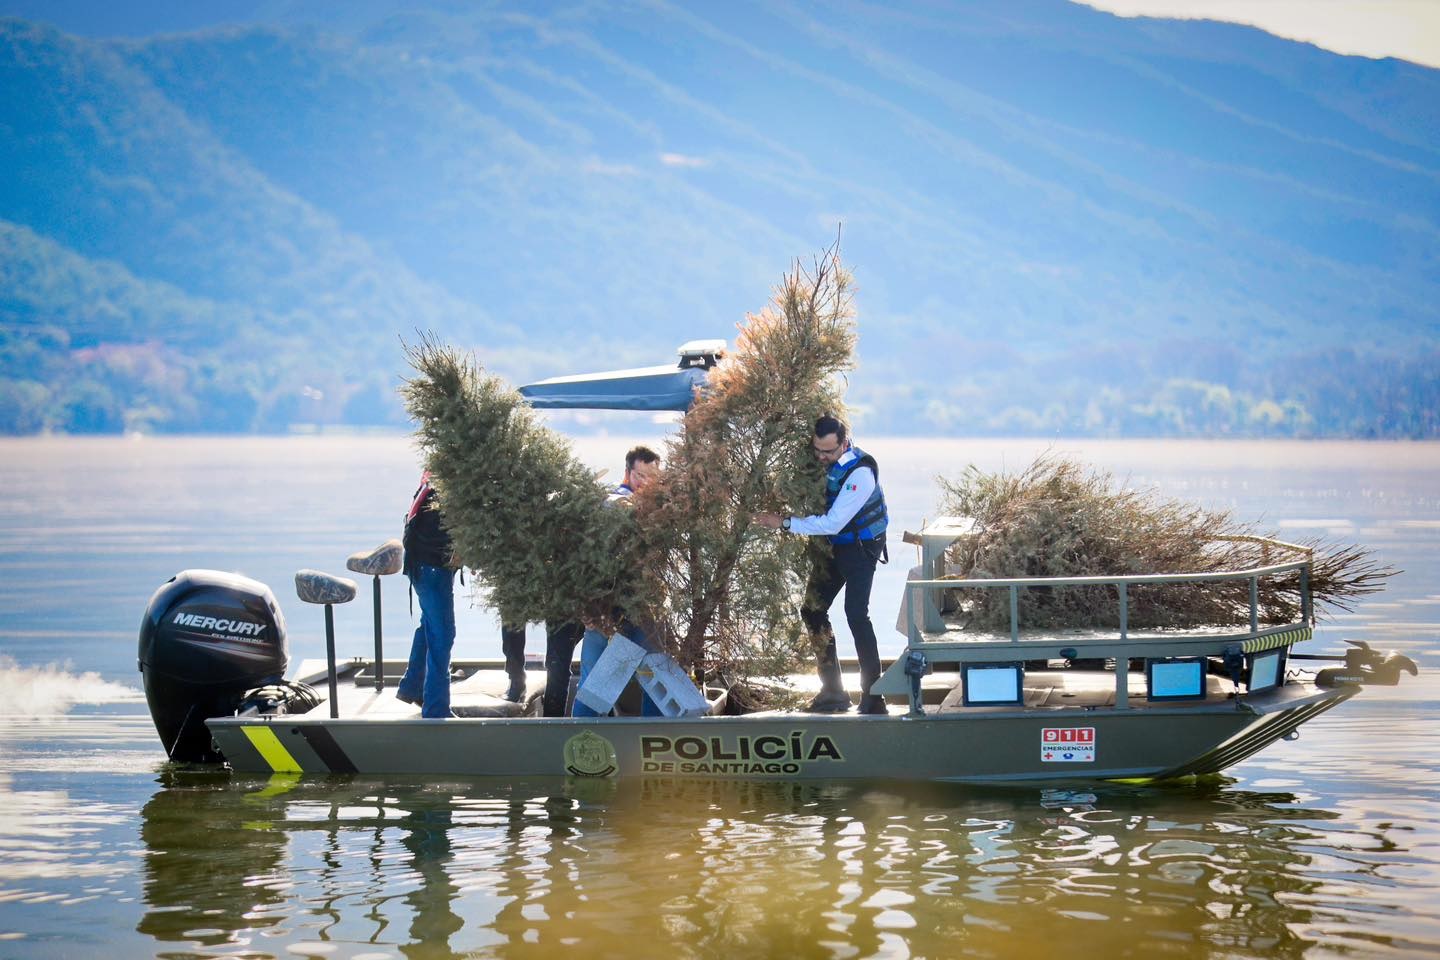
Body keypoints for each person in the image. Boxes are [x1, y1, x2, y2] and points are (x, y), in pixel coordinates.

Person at [754, 416, 889, 715]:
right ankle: (832, 692)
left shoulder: (861, 473)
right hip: (836, 546)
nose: (822, 457)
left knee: (856, 615)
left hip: (861, 549)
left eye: (828, 452)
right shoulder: (827, 462)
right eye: (818, 450)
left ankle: (874, 696)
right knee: (813, 610)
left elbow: (834, 521)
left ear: (844, 442)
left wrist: (784, 523)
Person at [573, 445, 663, 718]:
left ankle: (589, 732)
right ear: (627, 472)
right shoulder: (616, 501)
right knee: (650, 673)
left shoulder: (648, 507)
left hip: (633, 605)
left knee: (649, 676)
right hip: (610, 607)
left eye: (653, 478)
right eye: (641, 476)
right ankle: (584, 740)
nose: (646, 483)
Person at [397, 470, 458, 718]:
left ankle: (412, 687)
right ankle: (435, 709)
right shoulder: (450, 491)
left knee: (430, 626)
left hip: (420, 567)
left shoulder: (433, 483)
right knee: (443, 634)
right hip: (432, 570)